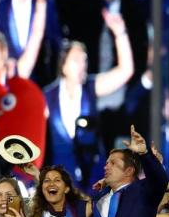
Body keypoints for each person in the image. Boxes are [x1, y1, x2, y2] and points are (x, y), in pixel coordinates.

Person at [42, 12, 134, 190]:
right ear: (64, 65)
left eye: (84, 60)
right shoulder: (47, 96)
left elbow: (126, 70)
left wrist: (120, 33)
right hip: (59, 182)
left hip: (92, 179)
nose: (82, 65)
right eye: (76, 60)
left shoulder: (90, 87)